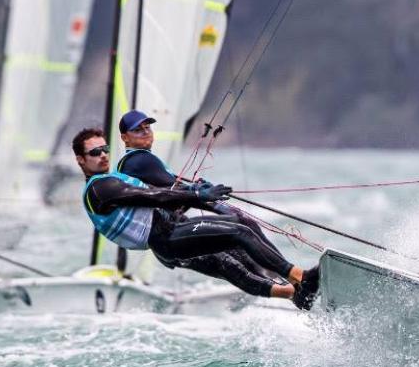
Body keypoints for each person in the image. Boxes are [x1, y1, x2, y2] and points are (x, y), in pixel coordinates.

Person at [73, 126, 320, 309]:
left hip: (170, 230)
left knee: (235, 242)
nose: (103, 155)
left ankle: (293, 293)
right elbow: (152, 197)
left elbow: (163, 193)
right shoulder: (99, 189)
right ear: (81, 160)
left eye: (105, 149)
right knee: (238, 234)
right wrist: (195, 195)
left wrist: (195, 192)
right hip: (165, 239)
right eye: (95, 152)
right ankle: (300, 277)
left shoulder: (111, 179)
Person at [113, 109, 305, 300]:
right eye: (138, 130)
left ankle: (291, 290)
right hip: (172, 237)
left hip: (171, 239)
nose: (146, 132)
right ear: (125, 138)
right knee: (236, 243)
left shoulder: (140, 162)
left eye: (147, 127)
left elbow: (172, 199)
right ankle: (294, 282)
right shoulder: (138, 161)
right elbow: (177, 193)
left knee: (231, 261)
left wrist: (199, 192)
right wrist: (206, 198)